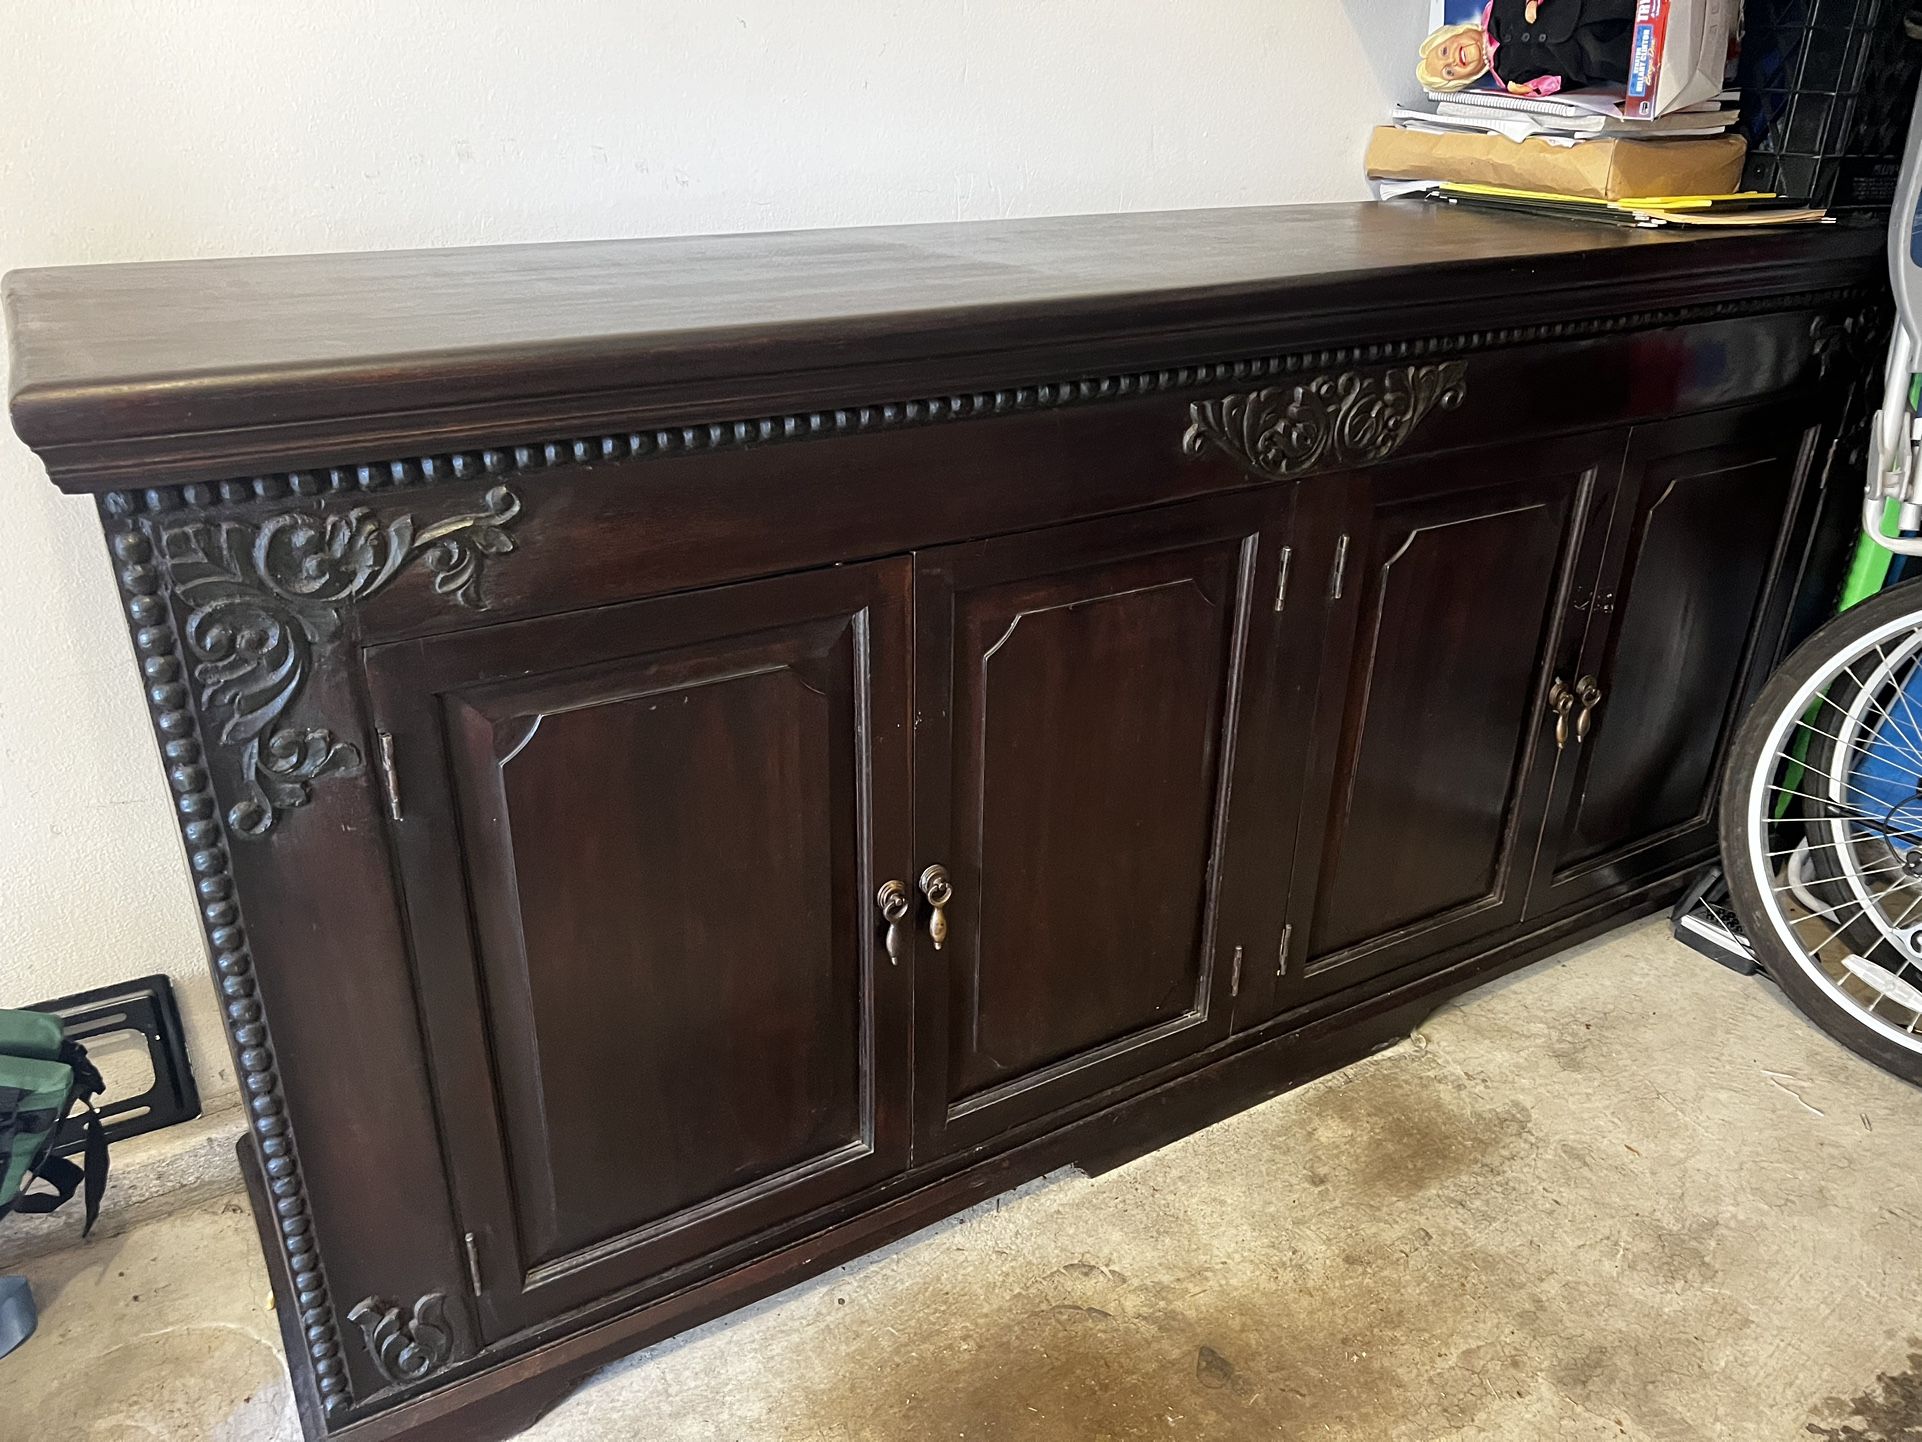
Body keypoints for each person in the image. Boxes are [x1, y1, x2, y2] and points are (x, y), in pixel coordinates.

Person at [1417, 0, 1638, 97]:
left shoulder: (1498, 7)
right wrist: (1534, 88)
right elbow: (1556, 82)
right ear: (1460, 80)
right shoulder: (1508, 78)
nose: (1453, 61)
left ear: (1453, 33)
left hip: (1585, 8)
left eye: (1444, 51)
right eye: (1449, 72)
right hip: (1591, 58)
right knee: (1640, 57)